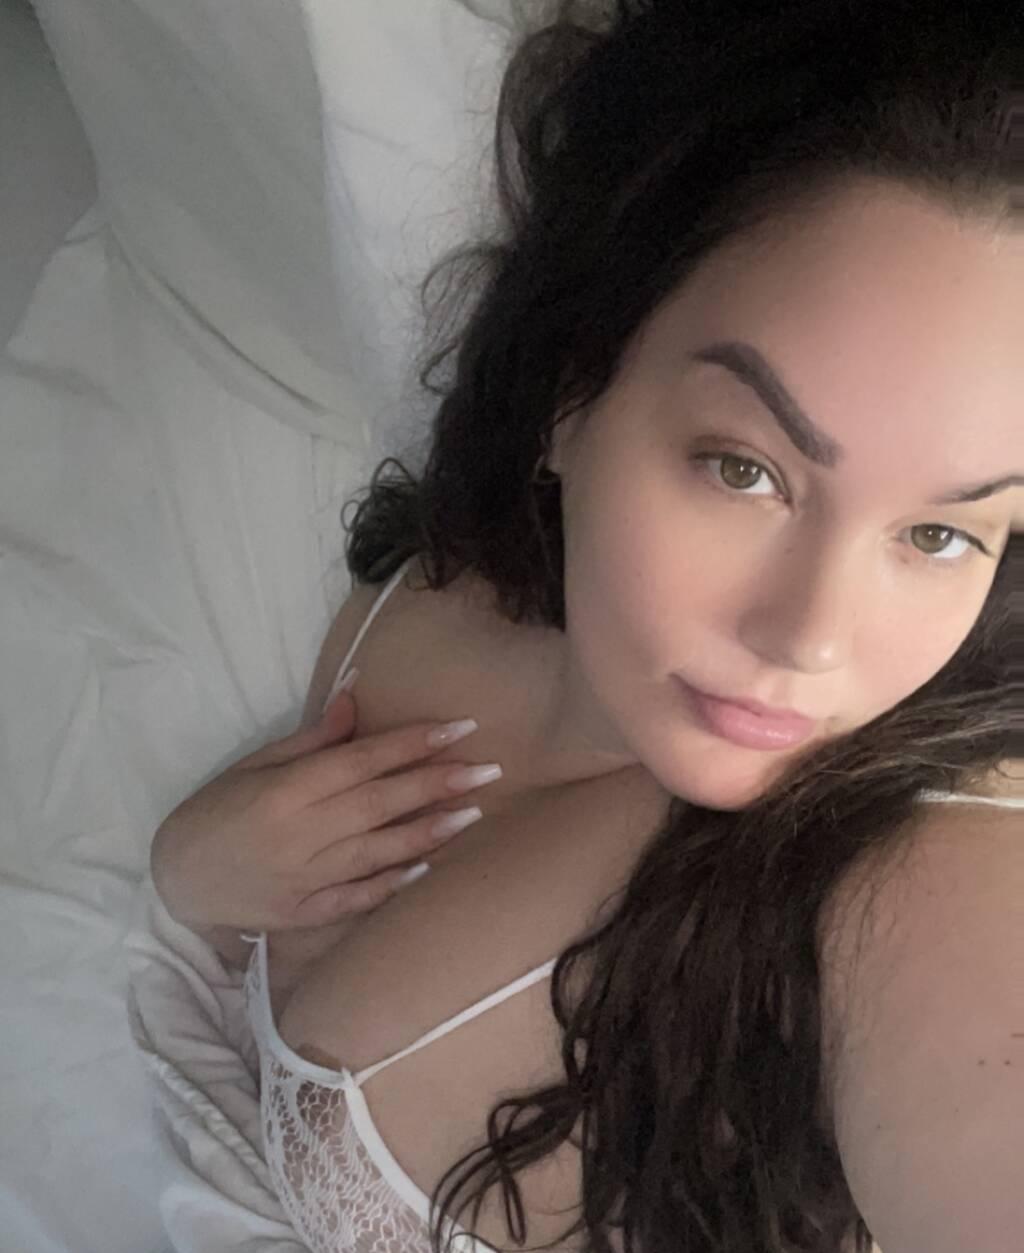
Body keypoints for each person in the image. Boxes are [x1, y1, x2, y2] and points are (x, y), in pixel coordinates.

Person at [149, 2, 1023, 1251]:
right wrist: (194, 873)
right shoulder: (448, 586)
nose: (810, 637)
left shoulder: (911, 869)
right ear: (572, 390)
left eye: (940, 533)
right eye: (743, 468)